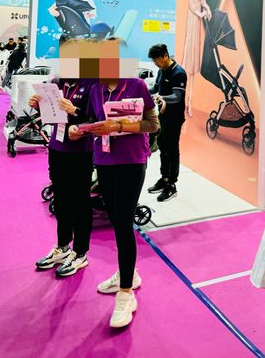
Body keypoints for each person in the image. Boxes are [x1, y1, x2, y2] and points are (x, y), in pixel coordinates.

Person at [68, 41, 159, 328]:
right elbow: (93, 121)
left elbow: (153, 124)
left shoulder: (136, 85)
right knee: (116, 219)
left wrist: (119, 126)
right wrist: (80, 129)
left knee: (123, 222)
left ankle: (126, 292)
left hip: (132, 161)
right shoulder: (95, 89)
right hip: (104, 160)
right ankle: (127, 273)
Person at [29, 43, 96, 278]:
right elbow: (51, 115)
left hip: (81, 152)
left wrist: (75, 110)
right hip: (57, 147)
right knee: (61, 199)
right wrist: (38, 106)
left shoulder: (92, 83)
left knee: (80, 203)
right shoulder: (58, 82)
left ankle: (80, 252)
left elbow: (97, 119)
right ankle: (62, 246)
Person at [147, 43, 187, 202]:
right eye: (153, 61)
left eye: (157, 60)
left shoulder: (179, 73)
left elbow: (176, 97)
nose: (155, 63)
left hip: (174, 118)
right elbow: (155, 89)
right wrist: (141, 88)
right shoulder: (161, 71)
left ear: (165, 55)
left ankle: (172, 184)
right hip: (163, 116)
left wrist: (161, 98)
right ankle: (164, 178)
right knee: (162, 146)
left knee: (171, 149)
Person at [181, 0, 211, 118]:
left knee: (193, 67)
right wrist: (199, 12)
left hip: (198, 17)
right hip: (192, 18)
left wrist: (207, 8)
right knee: (188, 64)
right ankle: (184, 101)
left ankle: (190, 102)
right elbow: (190, 2)